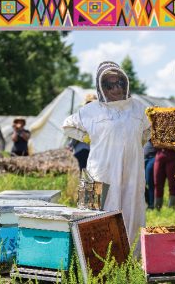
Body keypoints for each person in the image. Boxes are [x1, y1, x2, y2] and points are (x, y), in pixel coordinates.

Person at [63, 61, 151, 252]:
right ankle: (95, 257)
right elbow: (67, 125)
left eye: (119, 83)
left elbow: (149, 130)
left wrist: (138, 142)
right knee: (93, 214)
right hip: (99, 172)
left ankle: (131, 258)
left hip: (132, 172)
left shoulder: (138, 108)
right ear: (101, 87)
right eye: (109, 85)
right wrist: (86, 137)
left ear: (125, 84)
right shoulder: (90, 110)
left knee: (131, 211)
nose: (116, 88)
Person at [143, 140, 157, 208]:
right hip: (143, 158)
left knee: (150, 182)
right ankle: (148, 202)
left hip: (152, 157)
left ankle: (151, 204)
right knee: (141, 183)